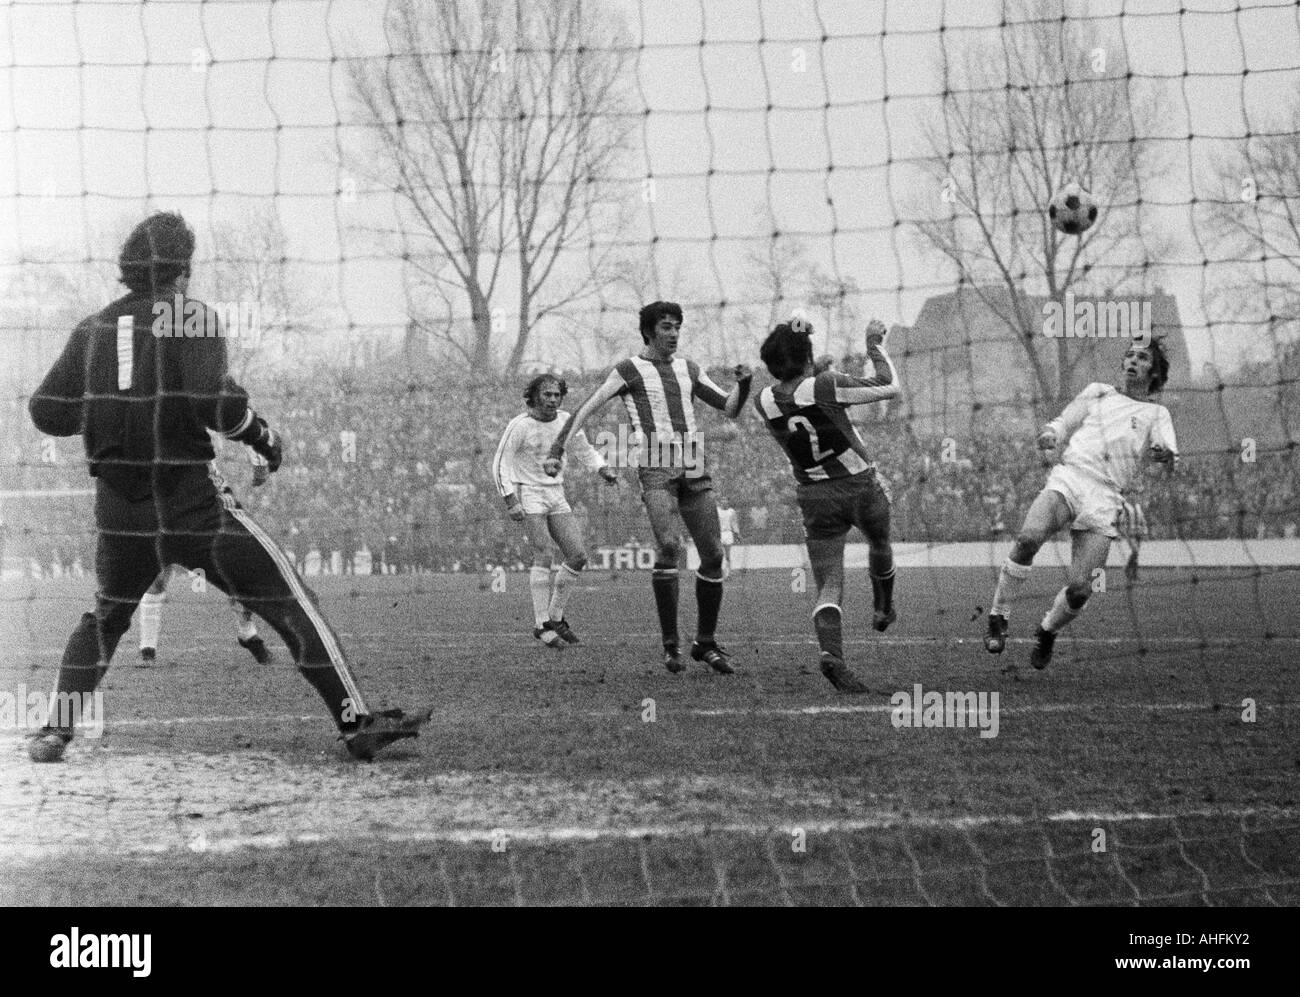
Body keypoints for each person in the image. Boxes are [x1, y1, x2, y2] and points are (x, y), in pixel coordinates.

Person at [25, 211, 428, 762]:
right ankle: (356, 723)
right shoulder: (189, 317)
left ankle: (54, 730)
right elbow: (213, 404)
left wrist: (104, 411)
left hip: (119, 508)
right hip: (189, 501)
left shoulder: (92, 327)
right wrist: (264, 439)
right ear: (182, 269)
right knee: (287, 600)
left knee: (105, 621)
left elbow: (46, 412)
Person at [543, 301, 753, 674]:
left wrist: (745, 384)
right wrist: (558, 448)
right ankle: (671, 646)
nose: (674, 334)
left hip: (693, 462)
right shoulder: (629, 370)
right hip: (655, 465)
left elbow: (729, 408)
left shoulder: (689, 368)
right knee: (670, 546)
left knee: (714, 555)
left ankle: (704, 643)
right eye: (667, 327)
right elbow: (586, 409)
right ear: (649, 331)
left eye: (677, 327)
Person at [984, 340, 1178, 668]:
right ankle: (998, 616)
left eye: (1142, 357)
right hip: (1071, 477)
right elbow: (1064, 421)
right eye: (1129, 354)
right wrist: (1051, 433)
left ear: (1154, 372)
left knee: (1079, 590)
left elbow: (1169, 456)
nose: (1132, 360)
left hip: (1105, 498)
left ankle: (1047, 631)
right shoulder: (1099, 391)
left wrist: (1164, 455)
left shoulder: (1157, 413)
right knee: (1028, 539)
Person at [754, 317, 900, 692]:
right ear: (807, 357)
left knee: (828, 585)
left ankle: (832, 654)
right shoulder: (825, 384)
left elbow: (798, 394)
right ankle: (883, 607)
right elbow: (889, 385)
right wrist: (873, 345)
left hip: (814, 496)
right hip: (859, 486)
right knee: (880, 542)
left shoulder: (764, 400)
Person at [491, 373, 617, 647]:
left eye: (557, 394)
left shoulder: (565, 421)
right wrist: (509, 498)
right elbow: (500, 462)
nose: (552, 399)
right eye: (547, 394)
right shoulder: (520, 425)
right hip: (529, 492)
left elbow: (584, 450)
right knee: (544, 552)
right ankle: (541, 624)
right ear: (534, 396)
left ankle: (556, 617)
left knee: (578, 556)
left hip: (555, 493)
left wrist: (602, 468)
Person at [716, 498, 741, 573]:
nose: (724, 501)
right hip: (719, 533)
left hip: (728, 533)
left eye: (725, 500)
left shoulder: (731, 511)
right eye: (722, 500)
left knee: (727, 555)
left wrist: (737, 533)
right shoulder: (717, 511)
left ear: (728, 502)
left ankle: (728, 571)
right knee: (719, 554)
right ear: (720, 502)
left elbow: (734, 523)